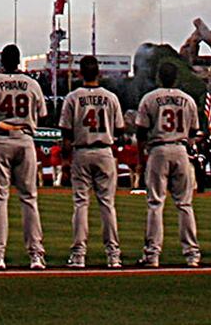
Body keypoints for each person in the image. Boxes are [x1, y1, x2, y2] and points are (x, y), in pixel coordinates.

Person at [0, 44, 48, 270]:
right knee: (29, 199)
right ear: (18, 61)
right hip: (25, 139)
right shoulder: (32, 84)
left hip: (0, 138)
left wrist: (0, 123)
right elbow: (43, 116)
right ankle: (36, 255)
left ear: (2, 61)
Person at [134, 59, 204, 268]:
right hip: (180, 149)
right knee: (184, 204)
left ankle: (152, 255)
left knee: (156, 203)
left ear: (158, 77)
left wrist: (140, 160)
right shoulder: (187, 99)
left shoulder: (150, 98)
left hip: (159, 149)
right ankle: (192, 254)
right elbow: (193, 132)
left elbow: (141, 132)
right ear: (176, 78)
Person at [60, 55, 126, 268]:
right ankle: (113, 255)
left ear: (80, 74)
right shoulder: (111, 97)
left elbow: (66, 132)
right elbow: (120, 130)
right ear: (99, 73)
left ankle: (79, 254)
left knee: (81, 203)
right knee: (107, 204)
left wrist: (65, 160)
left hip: (82, 150)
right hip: (104, 150)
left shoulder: (73, 97)